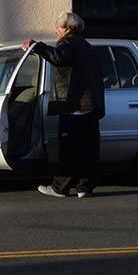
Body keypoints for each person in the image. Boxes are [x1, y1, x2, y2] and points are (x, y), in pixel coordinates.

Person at [36, 11, 104, 199]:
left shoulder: (66, 43)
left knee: (68, 149)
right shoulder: (86, 45)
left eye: (57, 27)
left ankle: (60, 188)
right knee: (88, 149)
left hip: (73, 105)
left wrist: (37, 46)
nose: (56, 31)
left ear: (66, 28)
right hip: (90, 105)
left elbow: (59, 58)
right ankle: (84, 187)